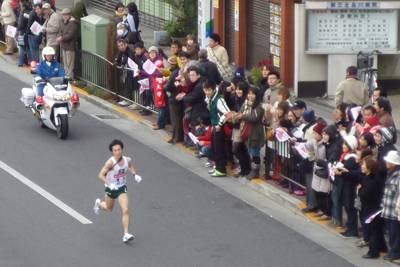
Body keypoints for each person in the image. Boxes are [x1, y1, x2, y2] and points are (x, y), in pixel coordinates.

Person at [93, 139, 142, 243]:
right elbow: (100, 175)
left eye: (119, 149)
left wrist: (135, 174)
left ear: (122, 149)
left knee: (126, 210)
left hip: (121, 188)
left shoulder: (127, 159)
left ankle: (126, 234)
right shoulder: (110, 163)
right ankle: (99, 203)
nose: (117, 152)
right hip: (111, 188)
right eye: (115, 150)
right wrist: (110, 185)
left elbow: (130, 166)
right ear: (112, 152)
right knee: (109, 208)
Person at [358, 156, 387, 259]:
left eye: (363, 165)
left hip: (373, 209)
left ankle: (373, 252)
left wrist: (359, 190)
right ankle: (382, 248)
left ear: (369, 167)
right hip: (374, 207)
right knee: (377, 229)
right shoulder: (371, 177)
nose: (361, 166)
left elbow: (365, 194)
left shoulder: (372, 181)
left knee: (373, 230)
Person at [236, 86, 265, 180]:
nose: (250, 96)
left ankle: (255, 171)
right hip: (246, 131)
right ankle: (251, 170)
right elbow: (239, 113)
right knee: (250, 152)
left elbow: (254, 118)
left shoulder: (259, 106)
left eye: (253, 94)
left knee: (255, 152)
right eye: (249, 93)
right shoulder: (245, 104)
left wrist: (242, 116)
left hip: (255, 133)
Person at [203, 80, 231, 177]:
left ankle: (221, 169)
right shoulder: (210, 98)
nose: (207, 92)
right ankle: (217, 167)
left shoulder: (219, 99)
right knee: (215, 148)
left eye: (209, 90)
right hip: (214, 126)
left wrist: (219, 124)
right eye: (205, 90)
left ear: (214, 89)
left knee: (219, 149)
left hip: (219, 128)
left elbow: (227, 113)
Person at [381, 150, 400, 261]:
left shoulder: (398, 176)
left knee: (395, 233)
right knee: (391, 232)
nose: (387, 162)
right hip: (388, 208)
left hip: (394, 211)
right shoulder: (391, 173)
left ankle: (395, 253)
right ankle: (393, 251)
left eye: (389, 161)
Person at [57, 8, 78, 79]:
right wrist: (60, 36)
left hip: (70, 47)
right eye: (63, 15)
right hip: (64, 46)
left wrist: (61, 38)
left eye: (66, 15)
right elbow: (61, 31)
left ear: (69, 15)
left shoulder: (73, 23)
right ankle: (66, 77)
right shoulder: (63, 22)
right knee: (65, 64)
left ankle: (70, 78)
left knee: (70, 64)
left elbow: (70, 35)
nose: (65, 16)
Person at [16, 1, 31, 66]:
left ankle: (21, 62)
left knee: (22, 47)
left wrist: (18, 28)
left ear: (23, 6)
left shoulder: (23, 13)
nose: (20, 6)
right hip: (26, 32)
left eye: (21, 5)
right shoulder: (29, 12)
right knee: (26, 47)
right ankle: (26, 61)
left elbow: (21, 24)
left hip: (22, 32)